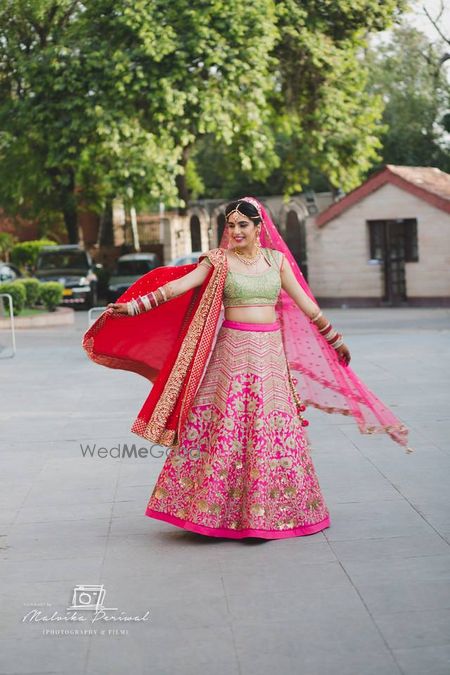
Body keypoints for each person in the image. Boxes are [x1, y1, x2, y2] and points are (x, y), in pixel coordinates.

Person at [83, 196, 411, 540]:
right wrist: (133, 307)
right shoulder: (218, 261)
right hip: (232, 357)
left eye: (243, 224)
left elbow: (307, 307)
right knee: (226, 429)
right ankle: (211, 514)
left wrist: (335, 339)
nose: (236, 231)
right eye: (231, 225)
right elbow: (178, 287)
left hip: (269, 357)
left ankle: (278, 513)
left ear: (259, 228)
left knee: (273, 431)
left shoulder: (277, 261)